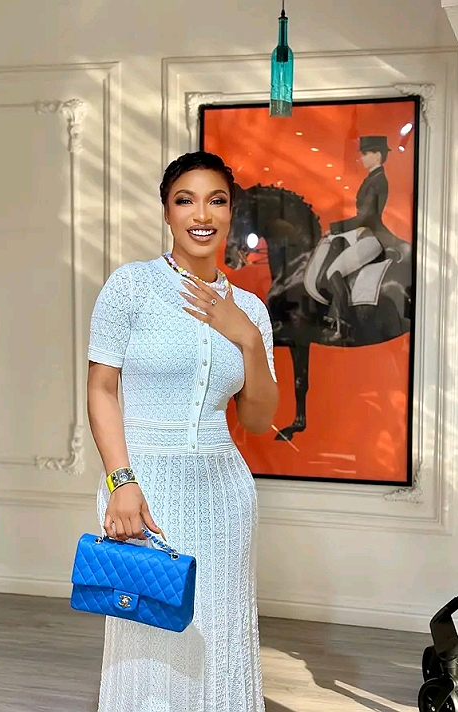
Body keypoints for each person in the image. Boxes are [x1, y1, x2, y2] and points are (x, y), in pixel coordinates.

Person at [86, 151, 279, 712]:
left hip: (224, 494)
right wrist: (121, 481)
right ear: (167, 211)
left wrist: (246, 339)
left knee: (219, 634)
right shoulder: (131, 287)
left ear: (231, 212)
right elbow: (101, 390)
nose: (202, 214)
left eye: (216, 201)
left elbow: (258, 420)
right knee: (147, 637)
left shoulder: (251, 310)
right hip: (143, 489)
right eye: (185, 200)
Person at [321, 135, 396, 340]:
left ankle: (344, 324)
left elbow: (366, 217)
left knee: (334, 271)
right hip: (363, 231)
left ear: (377, 155)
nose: (361, 158)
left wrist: (336, 228)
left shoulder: (378, 181)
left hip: (372, 235)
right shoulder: (372, 178)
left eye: (365, 154)